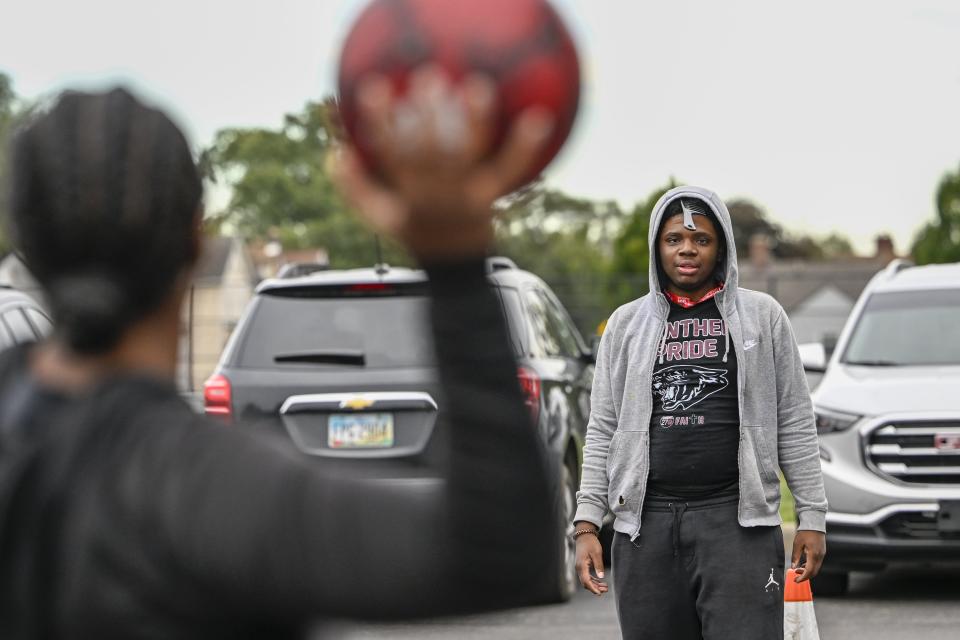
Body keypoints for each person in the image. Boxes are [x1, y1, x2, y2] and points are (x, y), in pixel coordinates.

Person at [0, 69, 560, 638]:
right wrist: (456, 261)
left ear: (29, 246)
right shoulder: (209, 489)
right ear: (197, 242)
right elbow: (503, 548)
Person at [573, 186, 827, 639]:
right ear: (658, 247)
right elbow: (603, 429)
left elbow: (794, 420)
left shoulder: (762, 317)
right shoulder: (626, 325)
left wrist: (811, 516)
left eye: (701, 239)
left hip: (737, 524)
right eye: (674, 239)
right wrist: (588, 523)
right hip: (644, 529)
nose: (687, 249)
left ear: (721, 246)